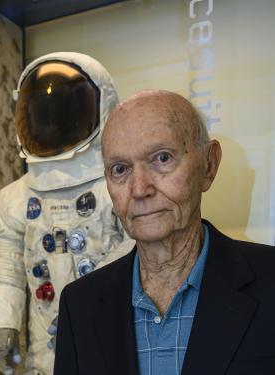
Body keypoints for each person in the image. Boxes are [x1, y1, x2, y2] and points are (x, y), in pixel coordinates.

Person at [53, 90, 275, 375]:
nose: (140, 189)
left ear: (209, 164)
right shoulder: (80, 305)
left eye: (162, 158)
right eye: (120, 169)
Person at [0, 52, 134, 375]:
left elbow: (138, 249)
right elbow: (4, 268)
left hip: (112, 338)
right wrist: (1, 323)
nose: (53, 123)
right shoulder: (13, 199)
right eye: (43, 113)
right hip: (44, 354)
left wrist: (86, 300)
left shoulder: (120, 185)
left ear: (101, 107)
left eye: (66, 111)